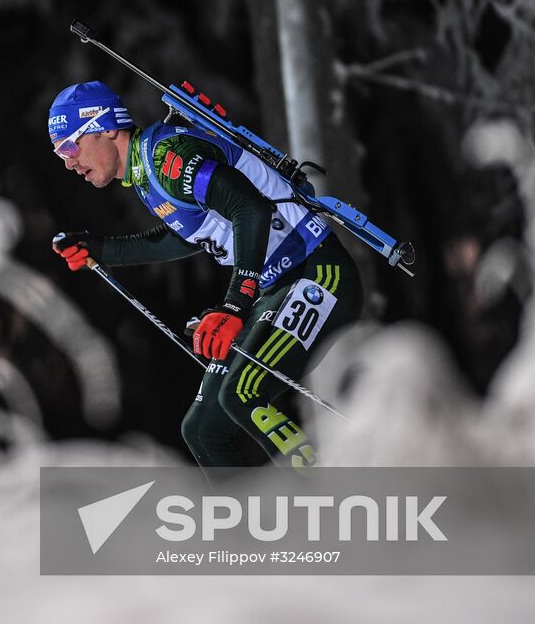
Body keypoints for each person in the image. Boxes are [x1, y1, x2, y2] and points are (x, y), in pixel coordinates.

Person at [48, 80, 362, 471]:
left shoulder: (167, 156)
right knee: (201, 428)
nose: (68, 162)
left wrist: (233, 305)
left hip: (317, 272)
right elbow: (190, 237)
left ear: (108, 127)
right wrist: (101, 249)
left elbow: (250, 210)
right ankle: (241, 528)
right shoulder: (146, 173)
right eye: (59, 153)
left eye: (69, 146)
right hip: (276, 287)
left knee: (242, 394)